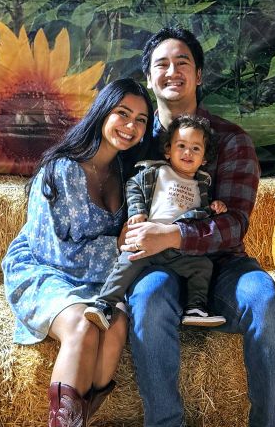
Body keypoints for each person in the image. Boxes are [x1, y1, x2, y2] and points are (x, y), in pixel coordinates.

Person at [124, 27, 275, 427]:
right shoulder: (133, 138)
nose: (172, 71)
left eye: (182, 62)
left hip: (222, 265)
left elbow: (235, 222)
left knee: (265, 300)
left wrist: (172, 236)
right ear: (148, 78)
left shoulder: (231, 139)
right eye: (161, 63)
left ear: (198, 75)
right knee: (146, 301)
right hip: (155, 267)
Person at [2, 77, 153, 427]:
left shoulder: (129, 177)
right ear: (103, 112)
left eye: (141, 120)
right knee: (86, 328)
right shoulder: (62, 169)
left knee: (119, 325)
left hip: (98, 283)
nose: (130, 125)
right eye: (122, 114)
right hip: (46, 273)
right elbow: (56, 254)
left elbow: (130, 248)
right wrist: (115, 245)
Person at [83, 114, 228, 331]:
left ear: (204, 158)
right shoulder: (156, 172)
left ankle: (195, 309)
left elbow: (199, 217)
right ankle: (105, 304)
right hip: (147, 242)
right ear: (168, 151)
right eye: (181, 146)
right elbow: (133, 187)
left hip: (177, 250)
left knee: (203, 266)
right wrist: (138, 211)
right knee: (126, 263)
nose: (187, 152)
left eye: (196, 149)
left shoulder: (202, 184)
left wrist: (214, 208)